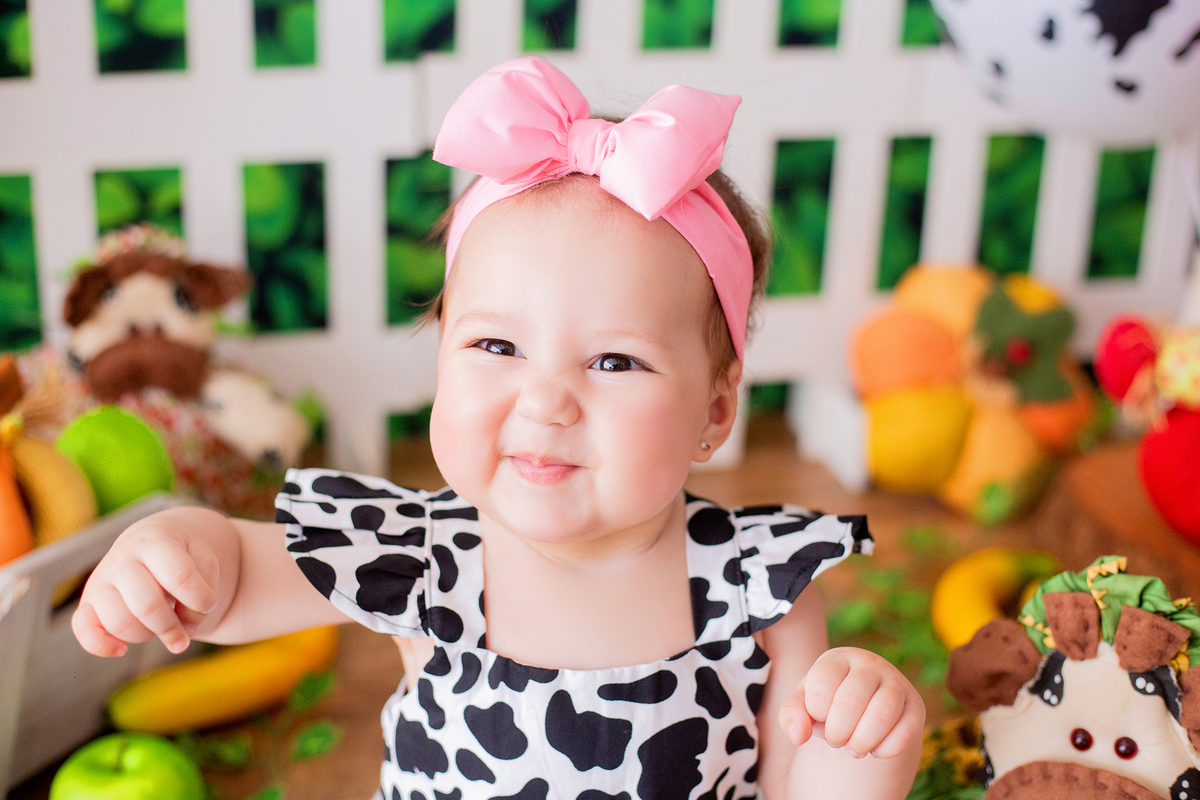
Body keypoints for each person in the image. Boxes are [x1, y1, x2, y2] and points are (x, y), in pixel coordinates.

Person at [72, 57, 925, 799]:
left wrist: (863, 747)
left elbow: (792, 788)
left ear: (714, 412)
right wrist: (178, 547)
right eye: (496, 345)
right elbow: (240, 583)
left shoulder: (760, 591)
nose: (546, 401)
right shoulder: (418, 552)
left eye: (614, 362)